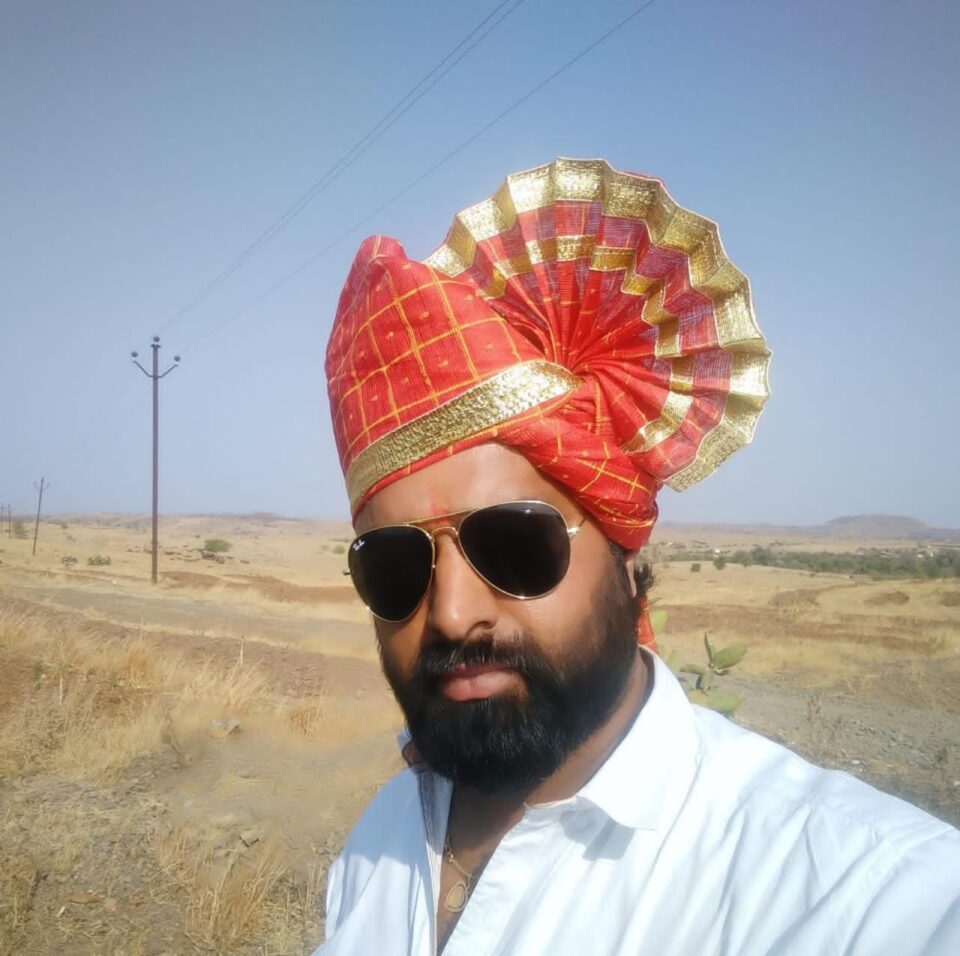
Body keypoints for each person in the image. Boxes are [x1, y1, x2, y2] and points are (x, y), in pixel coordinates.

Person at [316, 158, 960, 955]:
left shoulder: (852, 887)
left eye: (512, 543)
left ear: (624, 557)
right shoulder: (380, 837)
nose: (451, 613)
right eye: (395, 564)